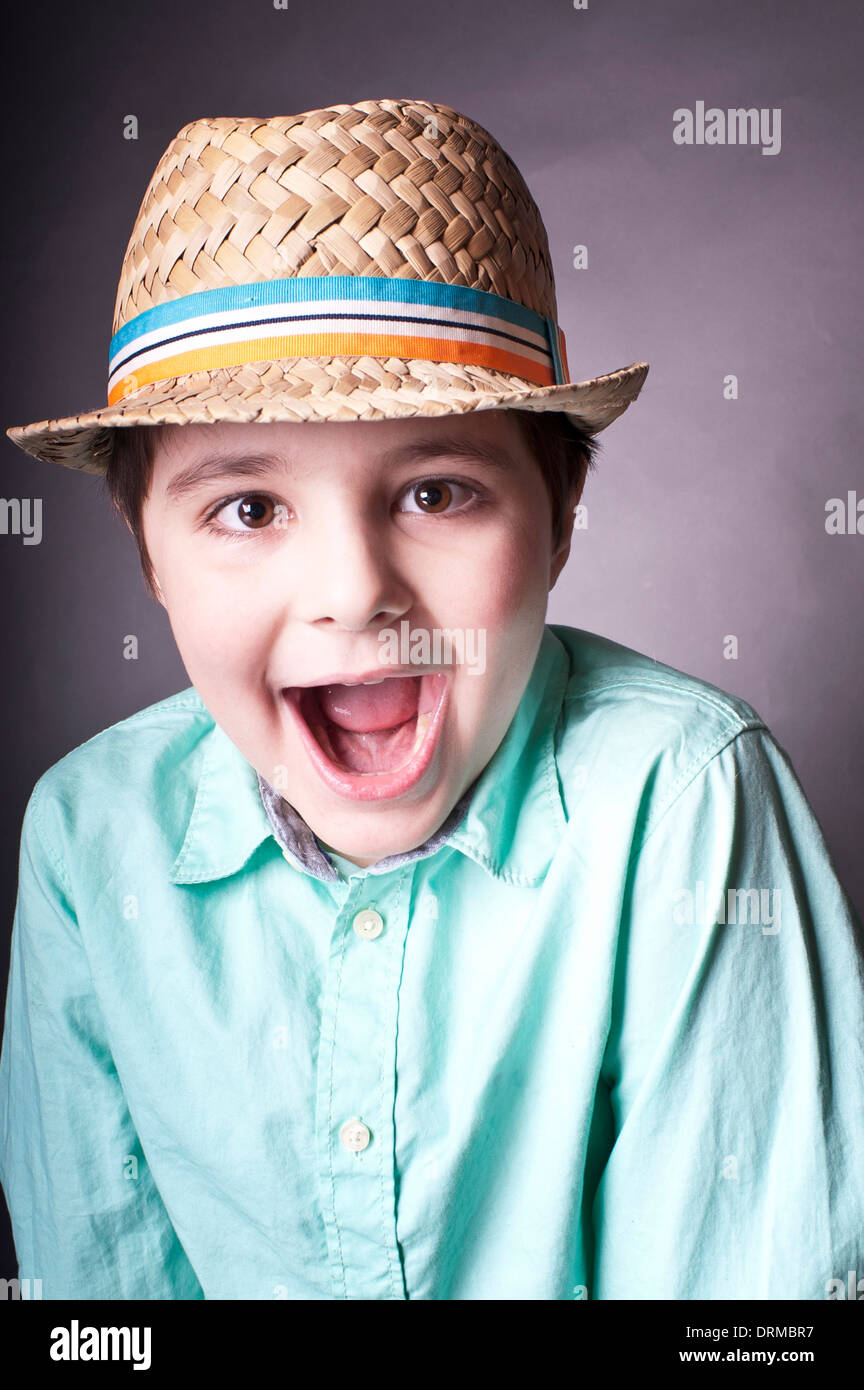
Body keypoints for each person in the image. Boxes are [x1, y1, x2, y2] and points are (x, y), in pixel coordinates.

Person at [1, 98, 861, 1301]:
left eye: (438, 491)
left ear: (560, 519)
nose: (354, 592)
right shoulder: (89, 842)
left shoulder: (685, 796)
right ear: (146, 549)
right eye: (247, 509)